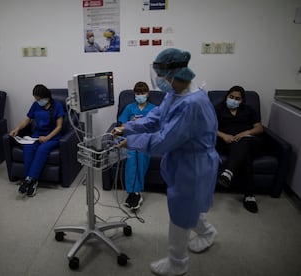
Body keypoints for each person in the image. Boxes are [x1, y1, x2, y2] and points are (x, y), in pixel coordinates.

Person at [113, 48, 219, 276]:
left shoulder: (191, 104)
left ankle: (177, 263)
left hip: (194, 164)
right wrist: (127, 127)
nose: (158, 80)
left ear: (174, 74)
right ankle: (207, 232)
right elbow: (155, 118)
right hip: (184, 159)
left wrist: (130, 141)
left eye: (161, 74)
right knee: (189, 205)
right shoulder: (174, 95)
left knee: (181, 211)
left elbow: (163, 141)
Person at [9, 84, 64, 197]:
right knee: (28, 147)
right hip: (37, 135)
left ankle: (29, 179)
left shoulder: (57, 106)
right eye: (36, 99)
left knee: (42, 149)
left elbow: (59, 127)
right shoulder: (35, 105)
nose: (38, 101)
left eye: (39, 99)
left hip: (52, 137)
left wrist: (48, 137)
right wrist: (17, 128)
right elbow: (27, 119)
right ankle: (32, 180)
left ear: (46, 97)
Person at [215, 85, 263, 213]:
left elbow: (259, 128)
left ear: (242, 100)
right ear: (227, 96)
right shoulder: (219, 109)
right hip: (228, 143)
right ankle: (249, 196)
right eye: (231, 97)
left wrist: (244, 133)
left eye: (237, 98)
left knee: (245, 142)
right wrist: (224, 135)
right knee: (245, 156)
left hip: (250, 141)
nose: (233, 100)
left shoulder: (249, 110)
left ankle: (228, 172)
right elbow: (210, 128)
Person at [117, 82, 156, 210]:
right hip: (131, 138)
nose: (140, 95)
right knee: (131, 156)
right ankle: (133, 192)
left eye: (143, 93)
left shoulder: (154, 109)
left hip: (145, 139)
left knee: (141, 155)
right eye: (138, 93)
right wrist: (129, 125)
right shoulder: (129, 108)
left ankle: (135, 192)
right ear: (135, 94)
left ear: (147, 94)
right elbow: (122, 126)